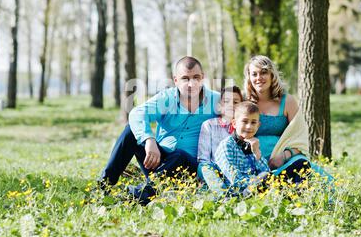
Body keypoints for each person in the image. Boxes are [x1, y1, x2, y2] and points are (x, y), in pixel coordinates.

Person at [97, 56, 220, 205]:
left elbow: (241, 116)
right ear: (176, 80)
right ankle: (103, 186)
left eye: (196, 77)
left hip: (190, 168)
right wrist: (149, 140)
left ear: (203, 78)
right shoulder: (166, 98)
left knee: (180, 154)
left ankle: (141, 194)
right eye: (185, 78)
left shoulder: (216, 101)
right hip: (158, 162)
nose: (191, 83)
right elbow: (137, 113)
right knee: (130, 132)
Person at [244, 55, 333, 184]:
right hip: (252, 161)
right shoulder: (244, 102)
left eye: (264, 73)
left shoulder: (287, 101)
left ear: (272, 75)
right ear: (249, 78)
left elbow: (300, 138)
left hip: (284, 160)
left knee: (311, 179)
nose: (259, 78)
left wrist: (284, 156)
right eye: (254, 74)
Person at [213, 101, 270, 196]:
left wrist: (257, 153)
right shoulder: (227, 145)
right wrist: (254, 183)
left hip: (255, 189)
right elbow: (233, 176)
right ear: (234, 123)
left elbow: (267, 173)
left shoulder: (253, 144)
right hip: (234, 192)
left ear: (258, 126)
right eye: (245, 121)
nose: (249, 126)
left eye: (253, 122)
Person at [197, 86, 243, 194]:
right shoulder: (209, 125)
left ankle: (235, 189)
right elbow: (203, 158)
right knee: (203, 167)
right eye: (226, 101)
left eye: (236, 102)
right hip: (213, 168)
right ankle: (223, 195)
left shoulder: (243, 128)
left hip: (234, 171)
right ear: (219, 107)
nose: (231, 105)